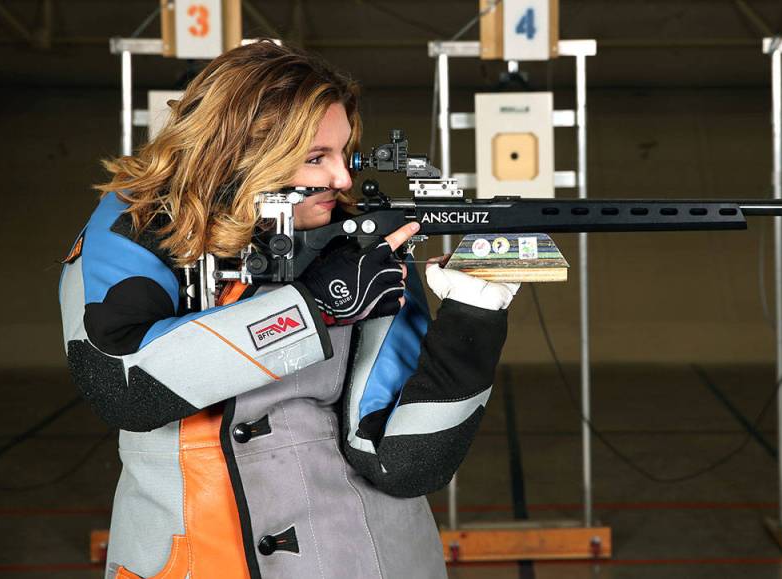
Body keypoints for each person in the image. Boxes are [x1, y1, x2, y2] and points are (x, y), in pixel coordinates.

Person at [58, 40, 519, 579]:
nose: (343, 179)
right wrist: (315, 306)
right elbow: (122, 386)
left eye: (344, 153)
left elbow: (404, 463)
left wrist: (474, 315)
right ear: (239, 153)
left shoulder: (356, 247)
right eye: (316, 158)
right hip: (189, 560)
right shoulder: (133, 226)